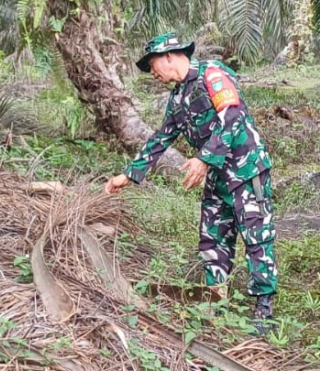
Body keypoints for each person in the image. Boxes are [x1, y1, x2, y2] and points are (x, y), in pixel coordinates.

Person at [105, 32, 277, 334]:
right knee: (212, 237)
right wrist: (128, 174)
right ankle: (215, 299)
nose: (153, 73)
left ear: (170, 56)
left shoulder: (213, 73)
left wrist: (203, 158)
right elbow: (161, 138)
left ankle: (264, 308)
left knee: (256, 237)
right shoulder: (177, 99)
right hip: (218, 176)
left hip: (246, 170)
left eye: (153, 64)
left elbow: (232, 115)